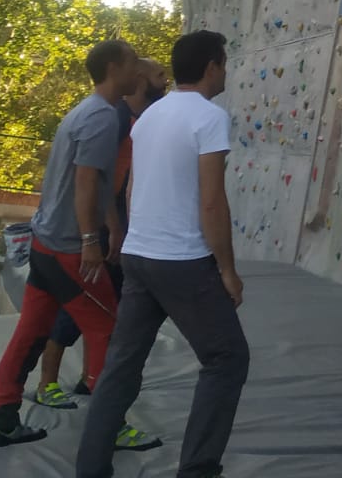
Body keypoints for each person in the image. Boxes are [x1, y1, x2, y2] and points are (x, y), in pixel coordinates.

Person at [76, 30, 249, 478]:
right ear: (211, 66)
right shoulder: (209, 117)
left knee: (121, 367)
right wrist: (227, 270)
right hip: (182, 262)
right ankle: (197, 470)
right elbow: (212, 202)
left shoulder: (149, 116)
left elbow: (132, 187)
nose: (225, 72)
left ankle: (90, 468)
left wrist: (133, 237)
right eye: (224, 63)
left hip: (140, 256)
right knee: (227, 358)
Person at [0, 39, 157, 450]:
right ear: (113, 68)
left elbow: (97, 181)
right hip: (68, 248)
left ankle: (3, 412)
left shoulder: (87, 110)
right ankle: (110, 426)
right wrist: (90, 241)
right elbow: (84, 181)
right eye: (133, 63)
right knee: (107, 331)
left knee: (32, 329)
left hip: (47, 243)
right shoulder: (102, 117)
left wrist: (112, 225)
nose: (140, 71)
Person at [33, 59, 168, 409]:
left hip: (117, 222)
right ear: (141, 78)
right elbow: (93, 179)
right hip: (104, 226)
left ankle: (89, 378)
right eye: (159, 75)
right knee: (84, 307)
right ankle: (49, 382)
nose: (165, 81)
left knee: (108, 306)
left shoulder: (138, 118)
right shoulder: (114, 118)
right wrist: (102, 231)